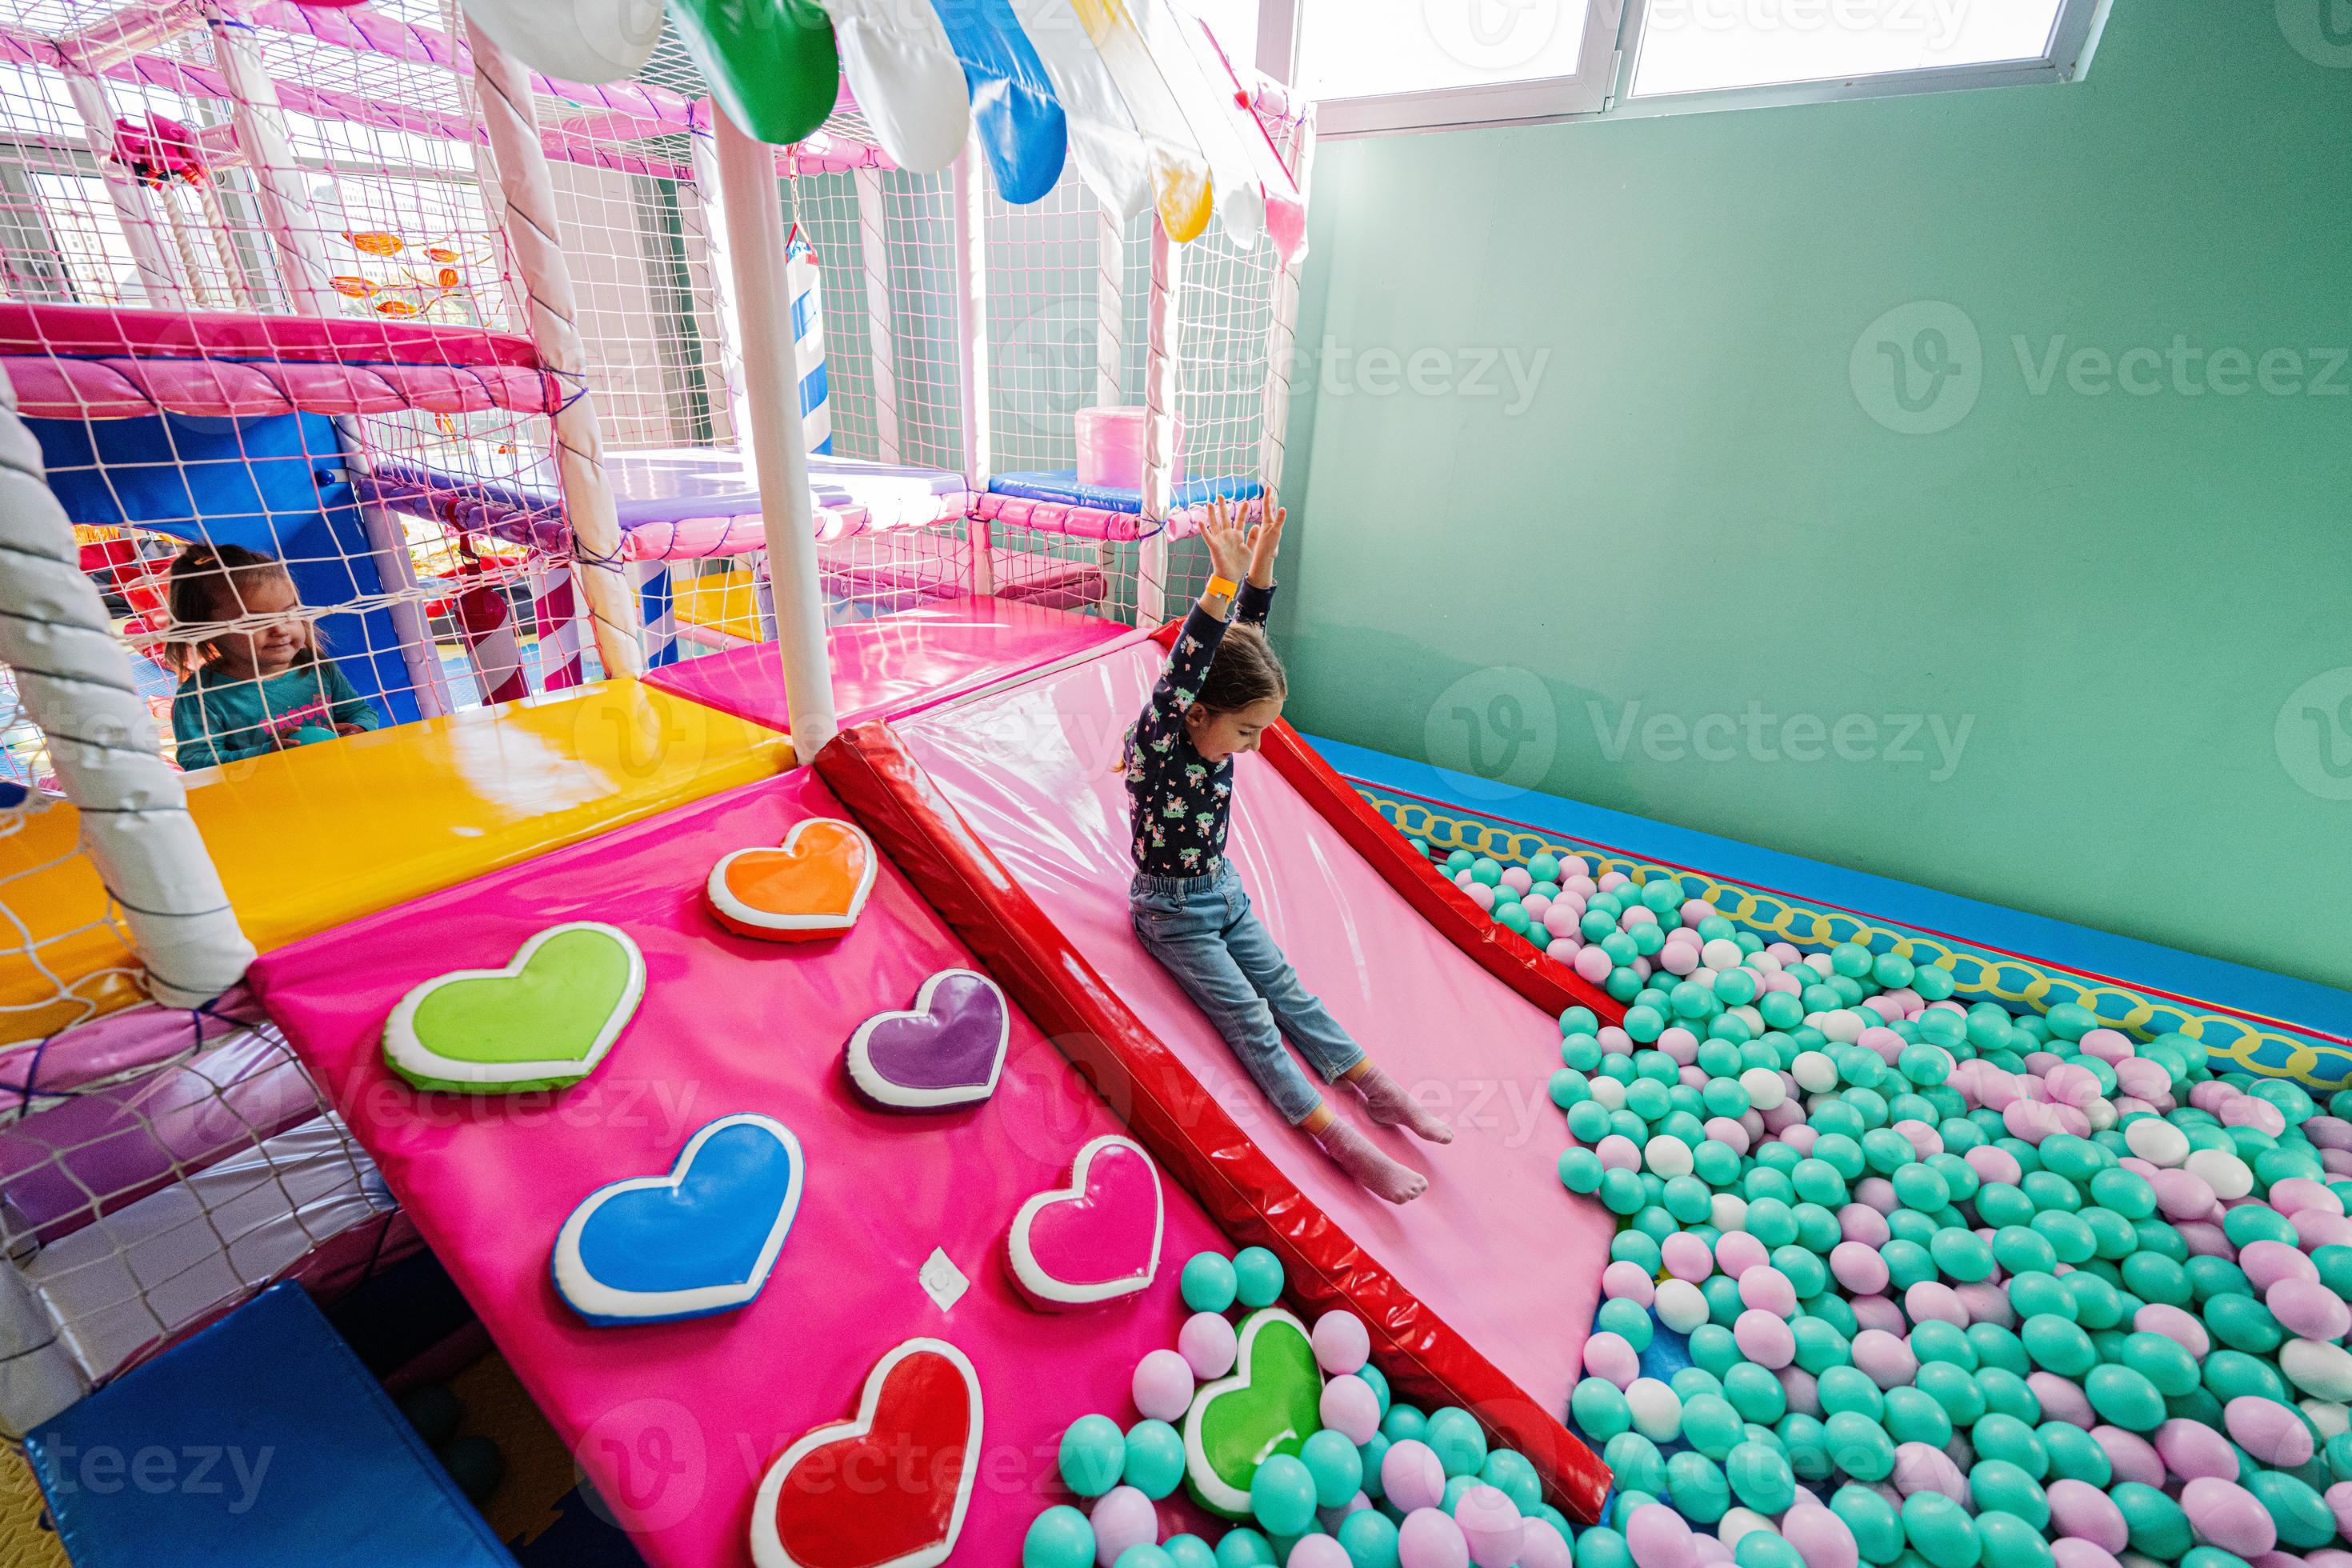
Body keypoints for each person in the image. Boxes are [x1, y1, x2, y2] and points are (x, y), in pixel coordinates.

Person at [1123, 498, 1450, 1205]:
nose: (1257, 746)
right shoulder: (1158, 749)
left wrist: (1260, 566)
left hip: (1225, 890)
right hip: (1171, 914)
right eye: (1248, 733)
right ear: (1199, 716)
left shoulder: (1222, 710)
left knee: (1291, 994)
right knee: (1251, 1018)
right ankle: (1343, 1140)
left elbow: (1245, 640)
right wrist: (1216, 585)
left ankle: (1376, 1088)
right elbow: (1188, 670)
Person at [164, 544, 380, 770]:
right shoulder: (201, 697)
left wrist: (360, 728)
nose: (280, 630)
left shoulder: (316, 666)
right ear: (206, 631)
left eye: (288, 614)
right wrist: (266, 754)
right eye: (255, 621)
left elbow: (359, 711)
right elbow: (197, 762)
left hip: (333, 771)